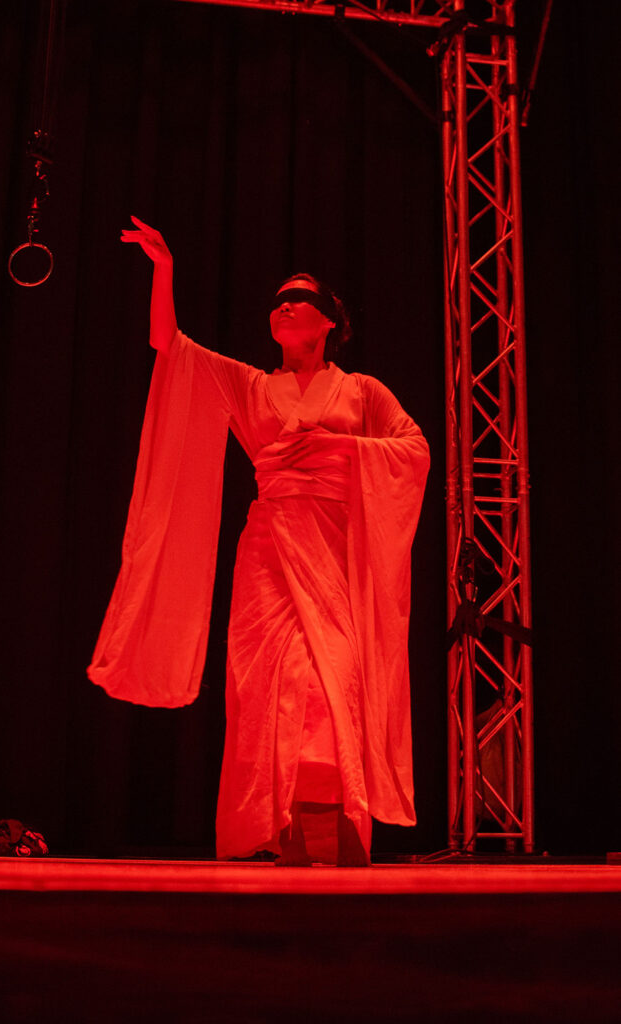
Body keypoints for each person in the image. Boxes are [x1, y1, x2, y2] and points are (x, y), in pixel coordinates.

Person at [88, 216, 429, 866]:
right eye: (276, 301)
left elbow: (412, 450)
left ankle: (334, 824)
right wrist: (164, 269)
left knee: (329, 680)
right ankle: (282, 824)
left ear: (329, 321)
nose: (283, 306)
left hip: (334, 550)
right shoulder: (250, 385)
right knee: (271, 680)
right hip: (270, 548)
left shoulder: (361, 391)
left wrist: (340, 448)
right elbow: (170, 346)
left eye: (297, 298)